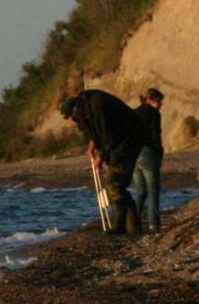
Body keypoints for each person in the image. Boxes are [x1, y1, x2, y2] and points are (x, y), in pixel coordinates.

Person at [60, 89, 144, 234]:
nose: (74, 121)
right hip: (117, 142)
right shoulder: (83, 111)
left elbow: (108, 134)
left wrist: (100, 158)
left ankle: (120, 226)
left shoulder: (97, 104)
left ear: (75, 110)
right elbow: (90, 130)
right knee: (117, 185)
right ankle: (133, 227)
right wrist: (92, 143)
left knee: (114, 181)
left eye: (73, 118)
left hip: (129, 139)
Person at [131, 88, 165, 232]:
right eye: (159, 101)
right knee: (153, 191)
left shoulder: (133, 112)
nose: (160, 105)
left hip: (133, 154)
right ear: (150, 100)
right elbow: (155, 134)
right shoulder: (153, 113)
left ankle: (133, 222)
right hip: (148, 152)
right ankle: (153, 225)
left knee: (140, 191)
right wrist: (160, 153)